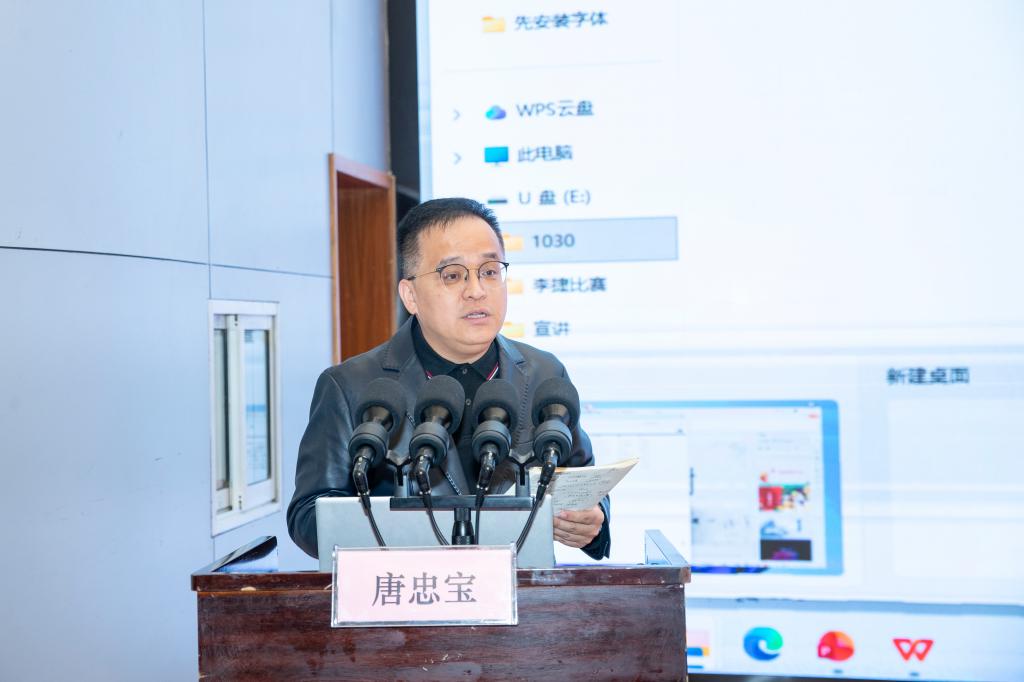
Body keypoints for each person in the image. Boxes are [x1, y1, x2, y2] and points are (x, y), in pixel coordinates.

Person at [287, 197, 610, 560]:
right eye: (453, 275)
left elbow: (582, 480)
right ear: (410, 295)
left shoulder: (544, 373)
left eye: (490, 271)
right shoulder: (350, 385)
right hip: (408, 587)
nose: (476, 290)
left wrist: (593, 520)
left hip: (519, 589)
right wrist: (397, 530)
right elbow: (308, 517)